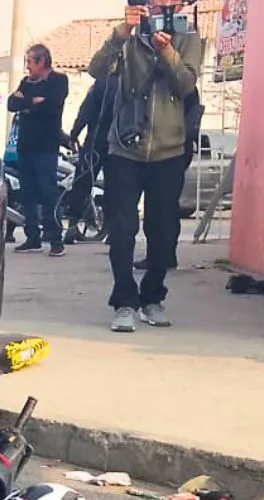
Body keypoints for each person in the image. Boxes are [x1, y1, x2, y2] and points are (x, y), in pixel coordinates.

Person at [89, 2, 202, 332]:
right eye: (152, 2)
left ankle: (152, 296)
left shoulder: (190, 37)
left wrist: (166, 51)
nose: (161, 7)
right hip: (125, 147)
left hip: (169, 149)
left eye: (167, 3)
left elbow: (186, 84)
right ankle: (124, 301)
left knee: (163, 231)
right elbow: (97, 70)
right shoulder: (129, 37)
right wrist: (121, 33)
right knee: (122, 230)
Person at [7, 44, 69, 256]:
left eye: (30, 63)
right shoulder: (26, 82)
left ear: (42, 62)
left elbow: (52, 106)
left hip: (46, 147)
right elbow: (11, 104)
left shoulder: (58, 81)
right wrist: (31, 101)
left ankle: (55, 239)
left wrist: (27, 102)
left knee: (48, 192)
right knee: (28, 194)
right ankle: (32, 237)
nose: (27, 68)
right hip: (25, 146)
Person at [133, 86, 202, 270]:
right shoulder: (176, 85)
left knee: (162, 207)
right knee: (161, 207)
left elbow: (190, 121)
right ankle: (161, 254)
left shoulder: (182, 86)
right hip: (164, 150)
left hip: (172, 151)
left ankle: (163, 255)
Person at [63, 72, 117, 245]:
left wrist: (74, 133)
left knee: (81, 183)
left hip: (95, 141)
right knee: (115, 187)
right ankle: (112, 231)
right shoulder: (130, 83)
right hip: (119, 143)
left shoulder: (100, 84)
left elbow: (85, 111)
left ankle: (72, 226)